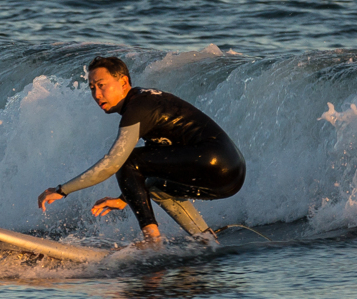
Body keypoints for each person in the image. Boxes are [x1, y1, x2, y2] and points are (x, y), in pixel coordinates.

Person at [37, 56, 245, 245]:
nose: (96, 94)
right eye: (92, 88)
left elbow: (112, 163)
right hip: (230, 173)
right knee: (154, 185)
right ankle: (206, 241)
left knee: (126, 160)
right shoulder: (143, 103)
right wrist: (122, 199)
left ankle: (152, 240)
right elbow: (153, 164)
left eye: (101, 85)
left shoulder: (139, 107)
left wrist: (62, 190)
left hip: (215, 161)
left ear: (124, 83)